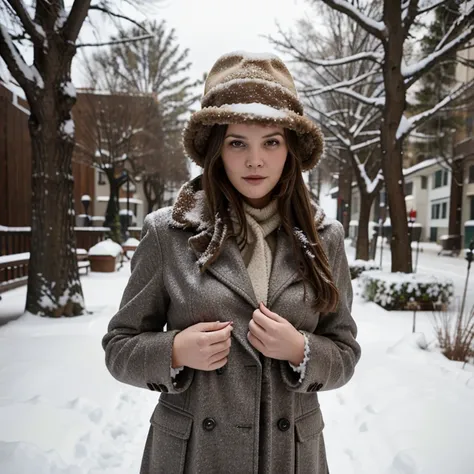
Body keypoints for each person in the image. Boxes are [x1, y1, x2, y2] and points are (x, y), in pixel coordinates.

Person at [102, 51, 361, 474]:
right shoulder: (168, 234)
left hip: (289, 457)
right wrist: (175, 350)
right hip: (194, 458)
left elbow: (346, 351)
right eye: (237, 142)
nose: (254, 160)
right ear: (215, 149)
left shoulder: (323, 238)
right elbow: (119, 347)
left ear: (291, 148)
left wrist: (301, 349)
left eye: (271, 142)